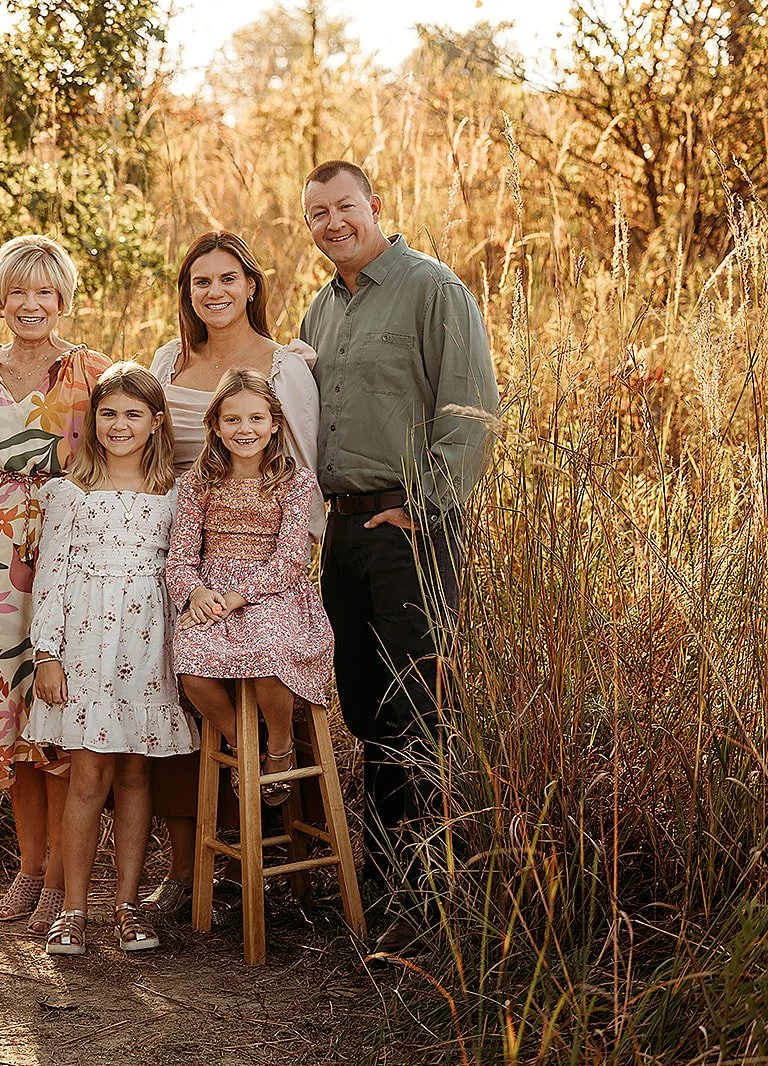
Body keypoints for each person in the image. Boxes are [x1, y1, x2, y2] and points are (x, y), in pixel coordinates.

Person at [298, 160, 498, 951]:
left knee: (421, 706)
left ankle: (434, 897)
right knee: (363, 703)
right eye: (318, 213)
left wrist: (423, 508)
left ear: (376, 207)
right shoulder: (321, 309)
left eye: (345, 207)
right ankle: (385, 882)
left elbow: (472, 406)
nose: (333, 222)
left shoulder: (431, 288)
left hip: (409, 525)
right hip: (342, 533)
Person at [143, 231, 321, 918]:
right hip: (183, 554)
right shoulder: (169, 360)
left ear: (251, 283)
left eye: (227, 279)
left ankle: (271, 867)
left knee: (271, 676)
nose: (213, 293)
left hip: (266, 562)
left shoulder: (284, 368)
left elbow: (307, 466)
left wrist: (283, 580)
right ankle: (188, 869)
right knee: (176, 698)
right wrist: (184, 579)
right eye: (199, 282)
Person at [0, 235, 112, 935]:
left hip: (65, 566)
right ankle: (29, 869)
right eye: (18, 291)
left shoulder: (92, 373)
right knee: (10, 724)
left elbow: (125, 458)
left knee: (57, 721)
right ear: (0, 297)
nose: (30, 304)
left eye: (44, 292)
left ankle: (63, 882)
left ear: (63, 299)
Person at [23, 363, 197, 956]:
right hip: (84, 648)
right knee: (87, 775)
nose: (119, 425)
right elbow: (51, 577)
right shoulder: (72, 494)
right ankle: (73, 909)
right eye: (108, 413)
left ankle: (127, 904)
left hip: (149, 647)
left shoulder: (175, 493)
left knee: (135, 772)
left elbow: (183, 573)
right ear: (92, 421)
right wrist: (47, 654)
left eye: (132, 414)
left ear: (155, 422)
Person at [166, 370, 333, 809]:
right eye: (233, 420)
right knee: (189, 664)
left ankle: (279, 748)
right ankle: (244, 749)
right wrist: (195, 593)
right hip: (212, 592)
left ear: (275, 423)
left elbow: (292, 558)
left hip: (274, 591)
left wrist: (242, 594)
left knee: (269, 654)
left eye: (256, 419)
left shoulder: (295, 483)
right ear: (216, 426)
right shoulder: (197, 484)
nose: (245, 430)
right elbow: (180, 555)